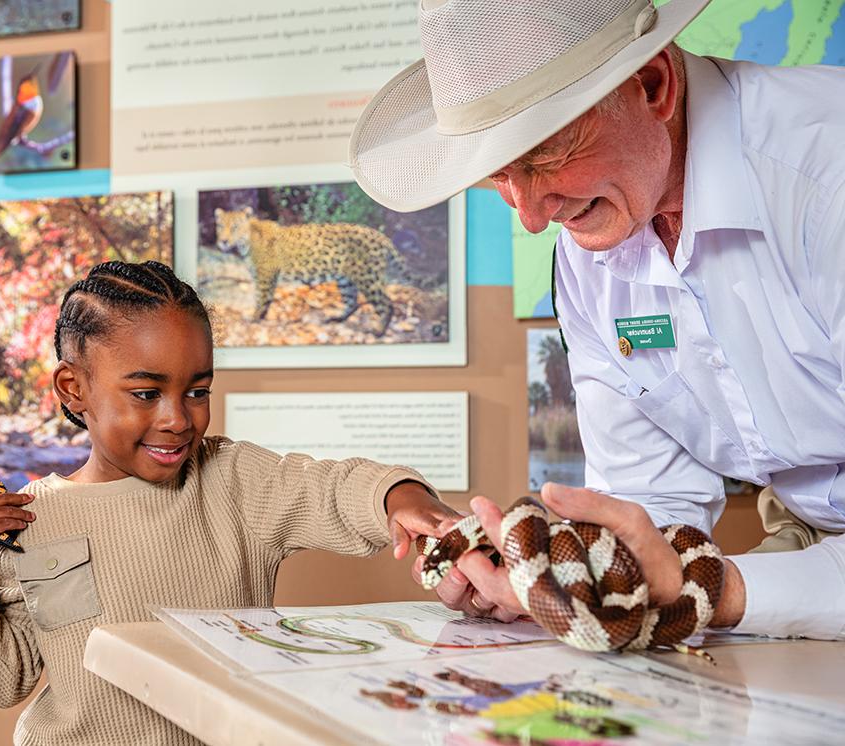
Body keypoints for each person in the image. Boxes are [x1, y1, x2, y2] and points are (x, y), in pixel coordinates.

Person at [350, 0, 845, 640]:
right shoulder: (588, 261)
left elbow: (693, 579)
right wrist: (548, 584)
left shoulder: (827, 177)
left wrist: (710, 590)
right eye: (502, 175)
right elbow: (648, 511)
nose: (530, 215)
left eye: (547, 155)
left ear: (652, 84)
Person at [0, 260, 458, 745]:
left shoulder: (233, 480)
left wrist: (399, 497)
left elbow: (330, 487)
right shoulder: (31, 521)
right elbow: (2, 680)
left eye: (197, 391)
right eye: (146, 393)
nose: (179, 419)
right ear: (73, 388)